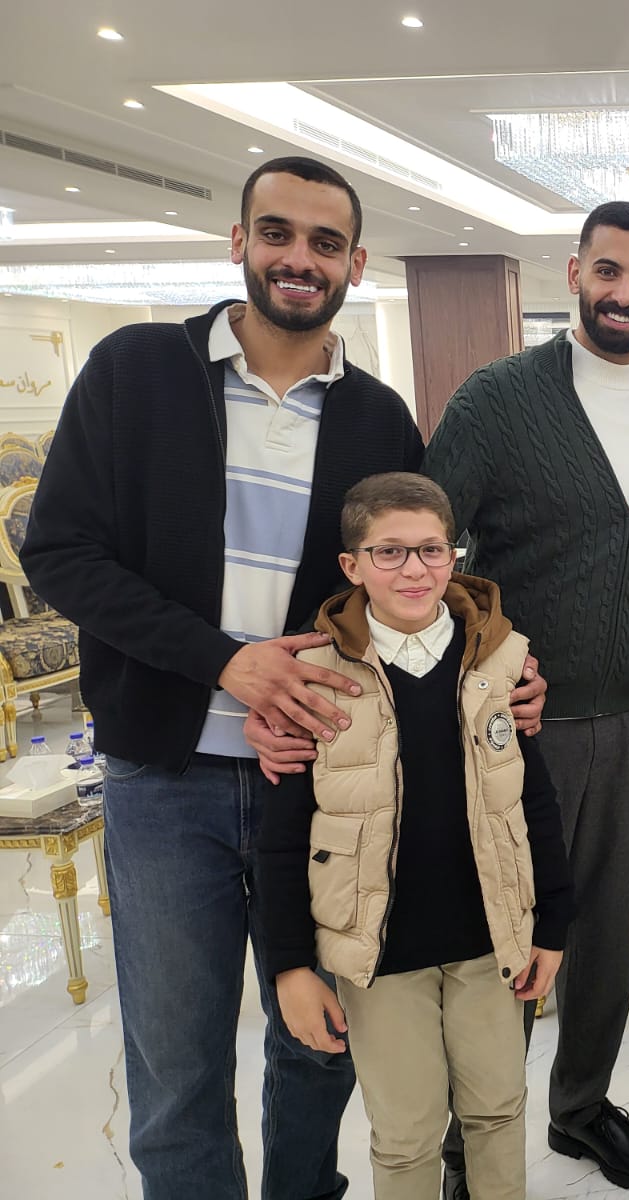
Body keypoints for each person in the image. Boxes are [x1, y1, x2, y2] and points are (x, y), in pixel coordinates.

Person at [19, 156, 424, 1200]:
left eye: (326, 243)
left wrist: (493, 668)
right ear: (239, 242)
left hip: (320, 779)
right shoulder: (138, 370)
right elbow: (61, 552)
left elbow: (398, 587)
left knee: (318, 1044)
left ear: (356, 264)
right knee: (178, 1063)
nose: (300, 258)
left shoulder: (380, 418)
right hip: (166, 776)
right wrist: (224, 661)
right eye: (277, 233)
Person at [423, 200, 629, 1195]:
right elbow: (429, 551)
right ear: (574, 273)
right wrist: (490, 658)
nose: (623, 293)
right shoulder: (500, 399)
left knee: (607, 928)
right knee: (506, 936)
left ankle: (581, 1108)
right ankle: (472, 1145)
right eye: (607, 271)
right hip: (519, 727)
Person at [258, 473, 574, 1200]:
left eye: (433, 550)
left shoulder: (499, 659)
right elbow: (281, 839)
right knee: (405, 1135)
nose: (414, 570)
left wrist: (552, 924)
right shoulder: (313, 677)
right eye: (390, 552)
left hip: (488, 938)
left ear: (454, 556)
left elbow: (531, 799)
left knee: (498, 1109)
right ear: (353, 565)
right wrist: (289, 965)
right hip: (382, 954)